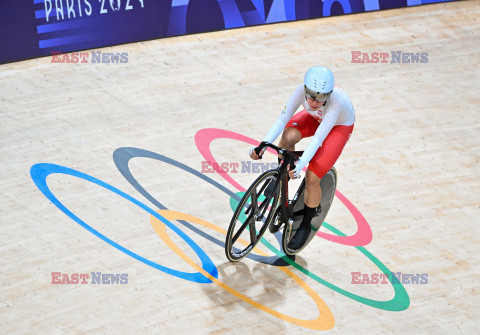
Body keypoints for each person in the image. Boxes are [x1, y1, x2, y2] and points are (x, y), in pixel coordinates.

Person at [249, 66, 355, 249]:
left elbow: (318, 139)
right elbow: (281, 120)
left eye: (321, 97)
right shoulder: (300, 91)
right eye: (311, 95)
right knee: (288, 136)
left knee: (312, 177)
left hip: (337, 127)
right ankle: (281, 177)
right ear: (305, 89)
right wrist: (262, 145)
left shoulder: (336, 102)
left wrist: (301, 165)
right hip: (315, 119)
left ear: (329, 94)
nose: (314, 101)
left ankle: (306, 224)